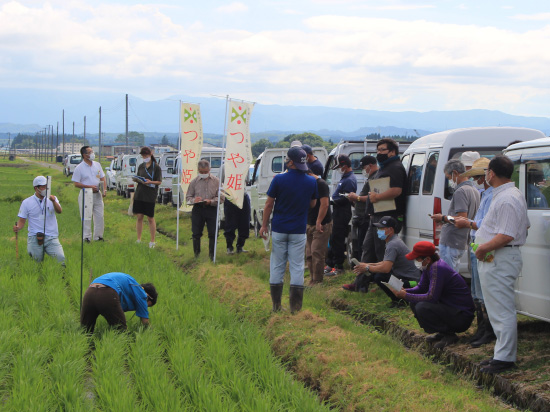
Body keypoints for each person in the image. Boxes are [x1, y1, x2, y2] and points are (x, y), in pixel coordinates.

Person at [474, 155, 530, 374]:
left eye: (486, 172)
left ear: (491, 173)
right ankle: (501, 353)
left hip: (499, 257)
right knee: (497, 308)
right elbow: (524, 227)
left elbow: (506, 234)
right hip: (497, 257)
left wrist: (483, 247)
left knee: (501, 309)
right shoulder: (507, 195)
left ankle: (505, 357)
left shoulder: (507, 198)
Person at [260, 147, 317, 313]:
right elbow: (313, 204)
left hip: (279, 228)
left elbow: (269, 204)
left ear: (290, 162)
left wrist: (264, 225)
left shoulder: (279, 179)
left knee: (277, 265)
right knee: (297, 266)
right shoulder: (311, 181)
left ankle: (276, 306)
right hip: (298, 230)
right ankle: (296, 309)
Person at [391, 241, 475, 349]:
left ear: (427, 259)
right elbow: (421, 287)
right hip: (451, 310)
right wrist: (406, 291)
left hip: (461, 315)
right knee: (414, 303)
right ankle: (442, 332)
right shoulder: (429, 267)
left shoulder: (437, 268)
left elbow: (431, 297)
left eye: (417, 259)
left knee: (422, 307)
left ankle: (449, 334)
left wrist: (405, 295)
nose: (416, 261)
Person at [454, 157, 496, 348]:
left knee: (483, 289)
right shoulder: (484, 194)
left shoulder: (492, 195)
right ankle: (482, 328)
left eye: (481, 176)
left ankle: (488, 330)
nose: (479, 180)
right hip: (476, 242)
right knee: (477, 290)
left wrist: (469, 223)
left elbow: (486, 223)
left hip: (483, 244)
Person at [351, 216, 420, 306]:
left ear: (390, 230)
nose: (378, 231)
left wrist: (367, 267)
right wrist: (366, 264)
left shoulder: (393, 244)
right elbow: (385, 263)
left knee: (379, 276)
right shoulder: (392, 241)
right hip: (406, 278)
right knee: (377, 272)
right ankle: (399, 299)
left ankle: (401, 301)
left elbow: (385, 268)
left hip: (412, 282)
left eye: (381, 228)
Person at [361, 138, 407, 263]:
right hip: (377, 214)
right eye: (378, 150)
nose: (379, 153)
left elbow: (396, 190)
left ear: (392, 152)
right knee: (368, 247)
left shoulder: (395, 167)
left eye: (382, 150)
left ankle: (384, 280)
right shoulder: (384, 167)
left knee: (382, 251)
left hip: (387, 216)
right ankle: (361, 280)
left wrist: (377, 197)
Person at [430, 159, 480, 272]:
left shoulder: (461, 191)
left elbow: (462, 218)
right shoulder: (474, 190)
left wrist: (442, 218)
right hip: (461, 240)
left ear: (455, 173)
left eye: (449, 177)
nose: (450, 180)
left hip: (452, 239)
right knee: (453, 274)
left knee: (447, 275)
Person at [80, 272, 158, 333]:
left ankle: (86, 351)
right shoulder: (141, 293)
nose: (144, 306)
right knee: (121, 332)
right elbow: (145, 321)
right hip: (107, 292)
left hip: (90, 292)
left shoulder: (131, 284)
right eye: (147, 304)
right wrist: (152, 334)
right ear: (148, 296)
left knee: (85, 331)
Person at [13, 175, 65, 266]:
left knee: (60, 258)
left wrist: (53, 201)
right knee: (36, 262)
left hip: (51, 236)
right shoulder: (27, 202)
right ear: (36, 188)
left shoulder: (53, 199)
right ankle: (39, 277)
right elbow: (22, 220)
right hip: (34, 237)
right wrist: (18, 227)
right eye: (43, 186)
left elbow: (59, 211)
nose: (45, 188)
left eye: (46, 186)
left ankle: (63, 277)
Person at [324, 154, 357, 276]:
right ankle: (330, 264)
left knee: (337, 239)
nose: (339, 169)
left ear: (345, 166)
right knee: (333, 239)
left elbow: (346, 198)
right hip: (337, 212)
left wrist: (332, 201)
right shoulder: (345, 178)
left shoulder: (349, 180)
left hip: (342, 212)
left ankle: (338, 266)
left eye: (340, 167)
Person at [186, 159, 223, 260]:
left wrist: (211, 201)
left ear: (209, 169)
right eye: (201, 172)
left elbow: (221, 197)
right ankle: (196, 255)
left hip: (211, 209)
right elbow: (188, 198)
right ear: (198, 170)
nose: (203, 174)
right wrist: (194, 200)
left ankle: (212, 256)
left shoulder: (216, 181)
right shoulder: (194, 182)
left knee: (213, 233)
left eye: (205, 172)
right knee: (196, 233)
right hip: (198, 209)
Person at [72, 145, 107, 242]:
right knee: (86, 216)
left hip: (97, 194)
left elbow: (102, 177)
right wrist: (89, 187)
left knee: (99, 216)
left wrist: (104, 189)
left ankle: (98, 236)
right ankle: (86, 237)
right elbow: (76, 183)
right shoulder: (79, 168)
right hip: (86, 193)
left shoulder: (97, 165)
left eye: (92, 151)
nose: (92, 154)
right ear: (84, 155)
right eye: (90, 152)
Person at [348, 155, 378, 261]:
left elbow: (373, 196)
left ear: (370, 166)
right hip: (362, 216)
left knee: (365, 246)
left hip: (366, 217)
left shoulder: (376, 177)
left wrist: (357, 197)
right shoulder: (371, 177)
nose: (363, 171)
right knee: (362, 245)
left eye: (364, 168)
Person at [305, 169, 332, 285]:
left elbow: (325, 204)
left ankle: (318, 281)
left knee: (317, 252)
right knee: (309, 253)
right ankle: (312, 278)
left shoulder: (321, 184)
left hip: (322, 223)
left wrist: (319, 221)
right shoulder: (308, 184)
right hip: (309, 222)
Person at [134, 147, 162, 248]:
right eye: (143, 156)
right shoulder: (141, 166)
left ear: (150, 154)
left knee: (150, 217)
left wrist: (150, 182)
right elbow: (138, 177)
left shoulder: (156, 167)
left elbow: (159, 181)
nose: (144, 158)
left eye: (146, 156)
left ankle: (152, 241)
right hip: (139, 194)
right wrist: (137, 179)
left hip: (150, 195)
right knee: (139, 217)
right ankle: (138, 239)